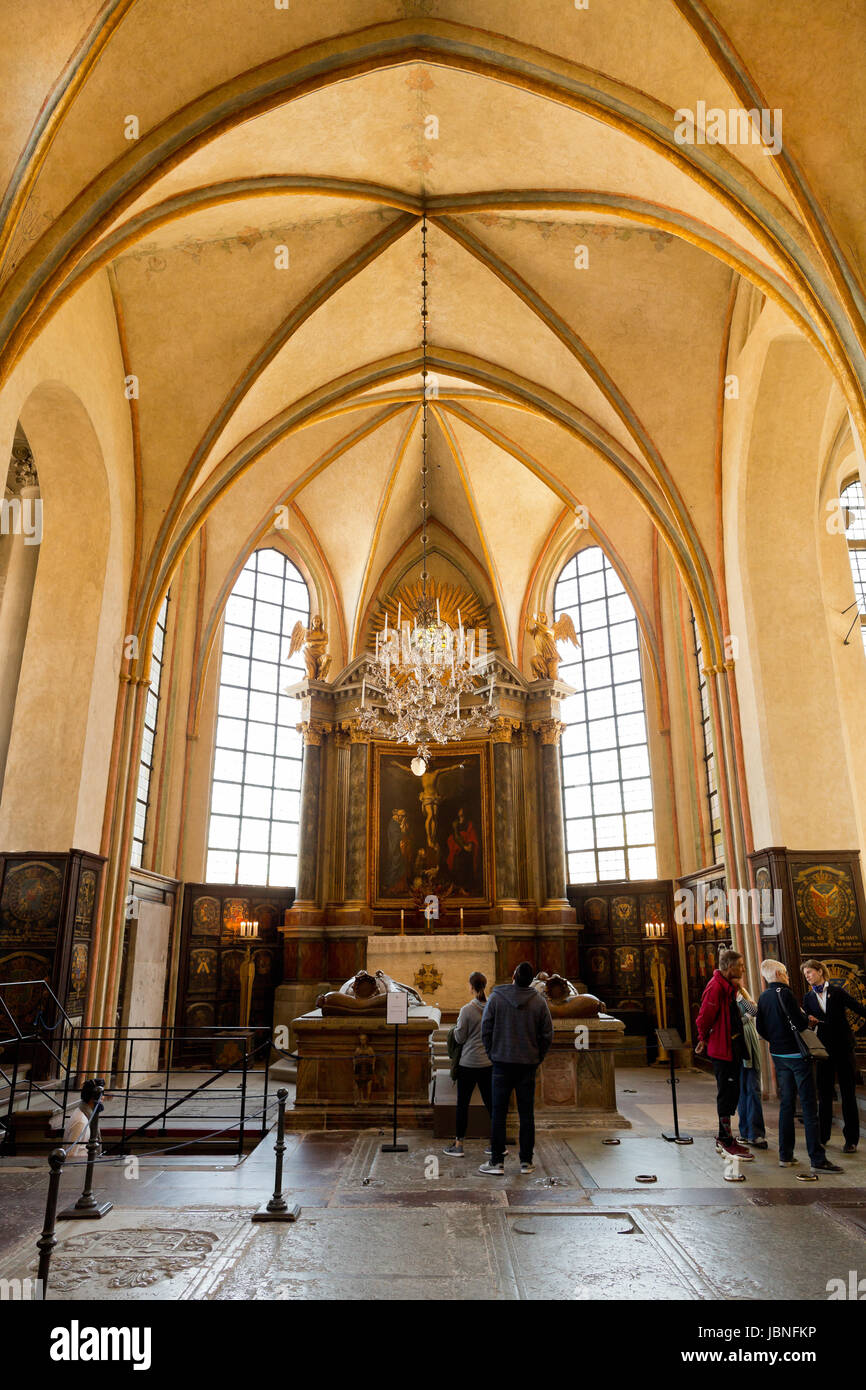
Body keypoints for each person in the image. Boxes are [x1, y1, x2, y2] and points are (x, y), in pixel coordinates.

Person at [755, 958, 843, 1173]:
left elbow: (761, 1027)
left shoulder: (764, 996)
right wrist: (809, 1021)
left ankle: (785, 1155)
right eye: (785, 972)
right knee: (808, 1105)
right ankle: (817, 1158)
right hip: (797, 1055)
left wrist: (776, 1041)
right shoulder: (785, 993)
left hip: (778, 1054)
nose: (787, 976)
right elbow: (800, 1022)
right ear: (778, 975)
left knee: (786, 1103)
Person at [478, 960, 553, 1176]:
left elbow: (486, 1028)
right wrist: (537, 1056)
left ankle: (496, 1162)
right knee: (526, 1114)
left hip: (501, 1063)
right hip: (527, 1064)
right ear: (531, 981)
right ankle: (526, 1162)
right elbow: (547, 1034)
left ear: (513, 976)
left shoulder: (496, 998)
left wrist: (493, 1053)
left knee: (498, 1114)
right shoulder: (538, 1001)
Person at [802, 958, 866, 1153]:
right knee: (824, 1093)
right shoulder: (808, 998)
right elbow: (805, 1022)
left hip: (844, 1048)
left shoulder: (838, 992)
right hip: (822, 1050)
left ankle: (851, 1140)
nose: (808, 977)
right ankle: (823, 1136)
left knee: (848, 1093)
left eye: (810, 972)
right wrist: (810, 1021)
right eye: (805, 975)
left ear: (820, 971)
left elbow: (858, 1008)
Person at [694, 947, 753, 1160]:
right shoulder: (716, 987)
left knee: (733, 1091)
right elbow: (704, 1016)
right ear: (729, 967)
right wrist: (702, 1038)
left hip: (733, 1047)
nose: (744, 969)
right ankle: (725, 1139)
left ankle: (726, 1136)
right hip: (723, 1049)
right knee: (726, 1094)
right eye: (741, 965)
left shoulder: (728, 986)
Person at [442, 972, 493, 1157]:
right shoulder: (491, 1007)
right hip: (487, 1063)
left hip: (468, 1064)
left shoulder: (466, 1010)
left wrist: (456, 1029)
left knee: (462, 1105)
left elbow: (459, 1037)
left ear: (471, 987)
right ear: (484, 986)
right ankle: (496, 1143)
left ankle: (458, 1144)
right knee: (492, 1105)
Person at [736, 982, 767, 1149]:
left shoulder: (742, 998)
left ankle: (754, 1133)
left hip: (749, 1045)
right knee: (743, 1091)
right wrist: (744, 1018)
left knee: (752, 1089)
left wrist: (742, 998)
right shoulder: (725, 999)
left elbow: (755, 1011)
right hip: (738, 1049)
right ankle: (746, 1131)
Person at [51, 1079, 105, 1159]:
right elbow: (70, 1156)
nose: (103, 1098)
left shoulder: (85, 1115)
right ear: (93, 1098)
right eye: (102, 1095)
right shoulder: (81, 1122)